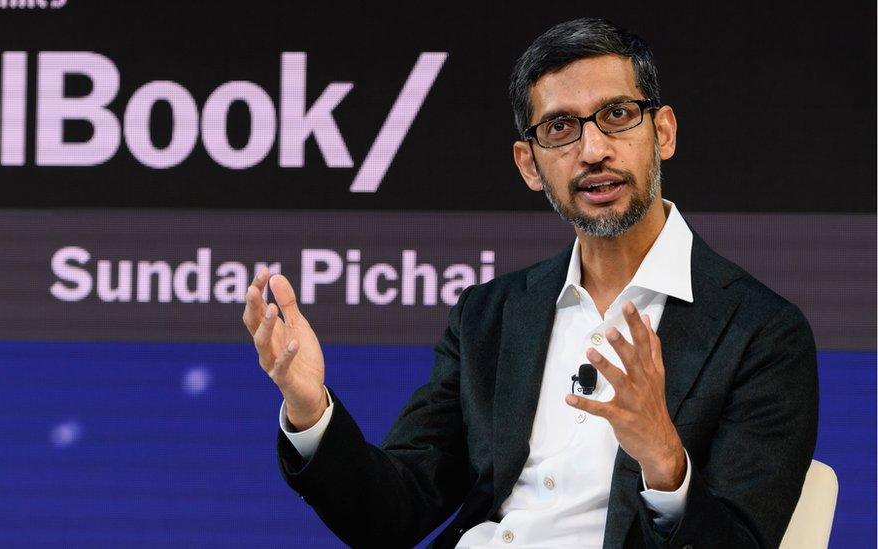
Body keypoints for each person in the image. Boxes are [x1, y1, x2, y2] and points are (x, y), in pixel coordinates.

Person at [242, 17, 818, 549]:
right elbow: (390, 515)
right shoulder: (489, 316)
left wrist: (664, 458)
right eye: (561, 128)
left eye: (617, 115)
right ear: (528, 164)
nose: (594, 150)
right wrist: (308, 404)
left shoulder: (761, 332)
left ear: (662, 132)